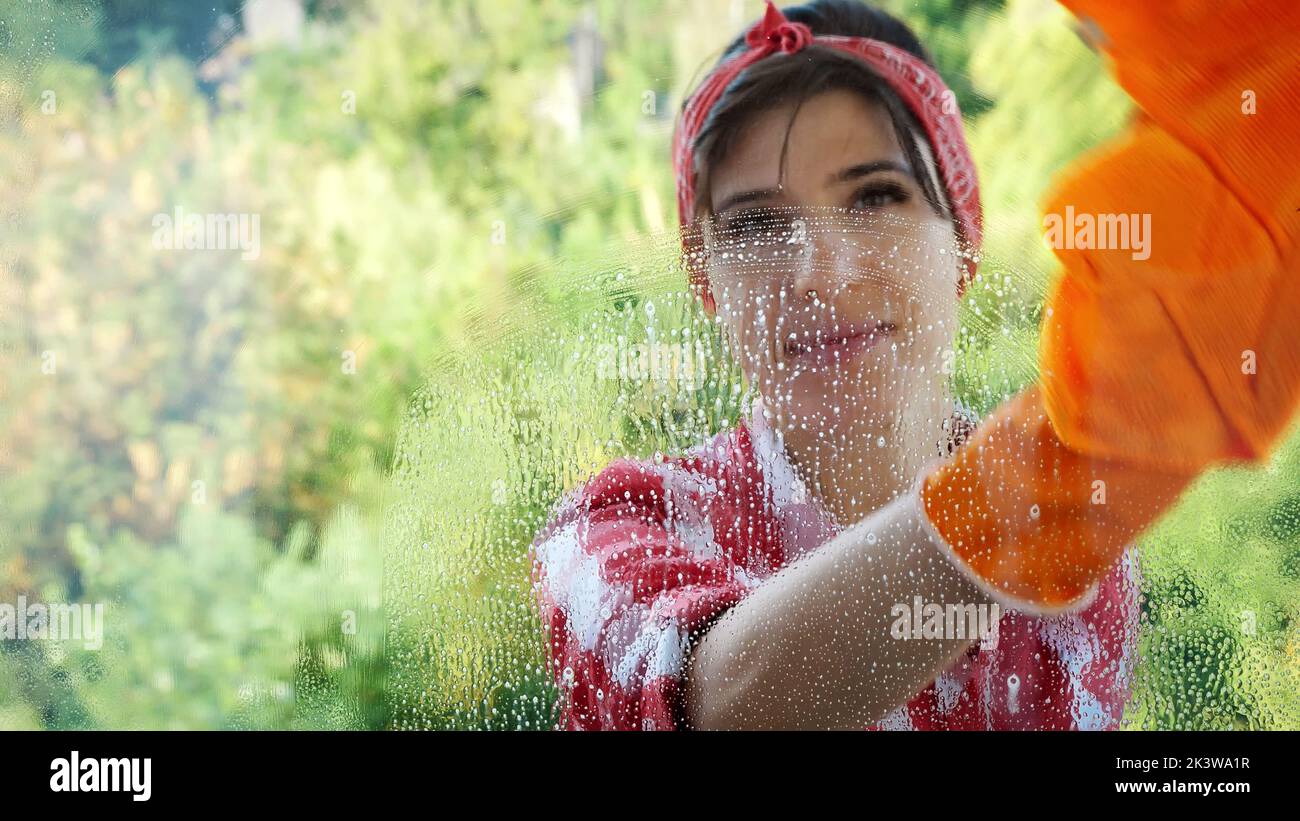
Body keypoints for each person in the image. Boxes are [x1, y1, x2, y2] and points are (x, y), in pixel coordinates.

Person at [531, 0, 1300, 730]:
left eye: (874, 196)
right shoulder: (612, 533)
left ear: (962, 239)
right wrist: (1042, 487)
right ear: (706, 280)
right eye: (757, 224)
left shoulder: (1092, 574)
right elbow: (718, 702)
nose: (822, 274)